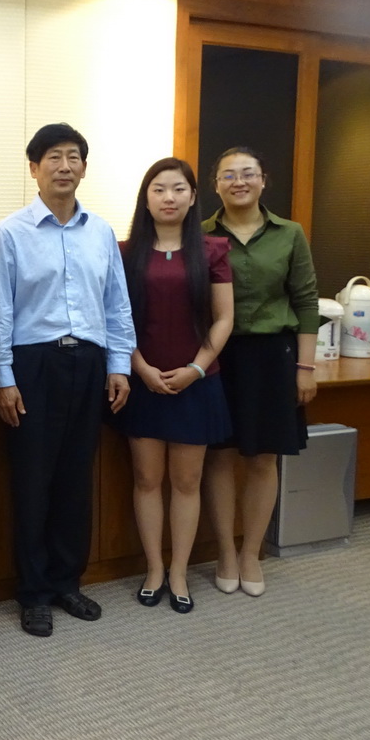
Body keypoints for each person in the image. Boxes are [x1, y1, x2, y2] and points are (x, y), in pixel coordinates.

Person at [0, 123, 135, 638]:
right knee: (32, 481)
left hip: (89, 364)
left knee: (75, 478)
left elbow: (117, 305)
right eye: (53, 157)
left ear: (84, 168)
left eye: (74, 157)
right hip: (33, 366)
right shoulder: (9, 233)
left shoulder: (101, 233)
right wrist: (3, 377)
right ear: (34, 168)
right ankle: (33, 593)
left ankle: (67, 581)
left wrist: (118, 365)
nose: (64, 166)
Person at [113, 157, 234, 614]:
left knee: (187, 482)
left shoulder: (212, 250)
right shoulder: (125, 253)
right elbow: (116, 319)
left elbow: (224, 318)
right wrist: (139, 366)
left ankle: (180, 571)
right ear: (146, 198)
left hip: (197, 382)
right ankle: (154, 570)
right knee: (146, 480)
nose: (169, 197)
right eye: (159, 189)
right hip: (142, 379)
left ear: (192, 196)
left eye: (178, 189)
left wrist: (197, 369)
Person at [201, 146, 318, 597]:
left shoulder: (290, 234)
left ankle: (251, 552)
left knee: (264, 456)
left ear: (263, 180)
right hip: (217, 354)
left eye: (248, 173)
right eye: (228, 175)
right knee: (220, 455)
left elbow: (307, 302)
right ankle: (225, 552)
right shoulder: (202, 235)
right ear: (215, 185)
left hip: (273, 356)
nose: (239, 182)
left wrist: (305, 368)